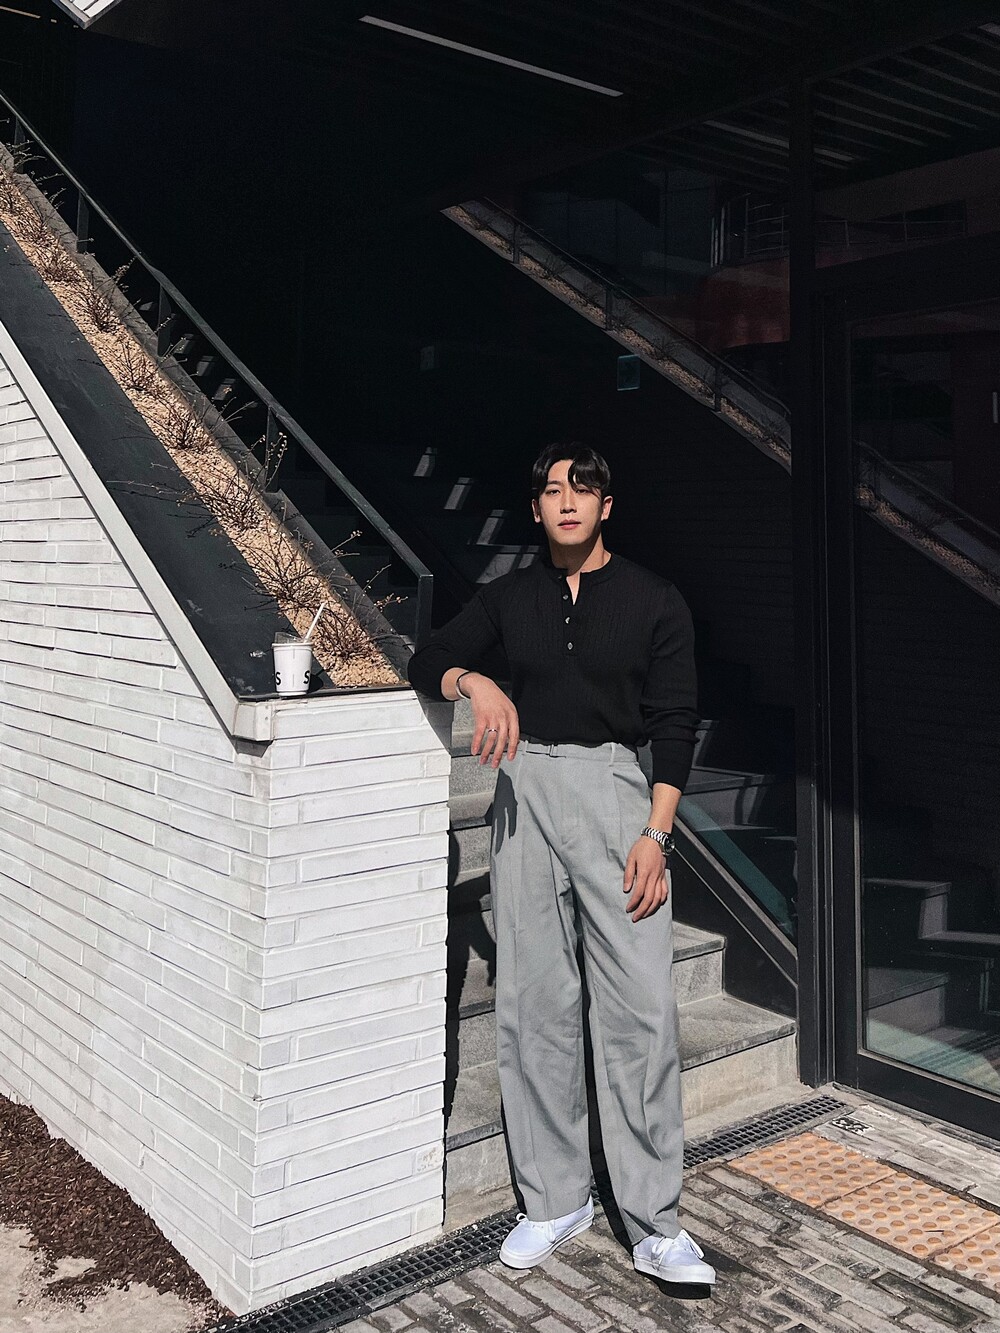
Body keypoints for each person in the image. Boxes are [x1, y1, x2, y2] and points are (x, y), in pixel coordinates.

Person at [407, 443, 716, 1286]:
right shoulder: (509, 597)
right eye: (552, 490)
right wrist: (476, 682)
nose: (568, 501)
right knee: (533, 1001)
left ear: (606, 506)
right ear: (538, 508)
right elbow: (427, 657)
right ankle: (555, 1198)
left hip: (617, 796)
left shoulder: (655, 599)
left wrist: (656, 835)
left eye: (583, 489)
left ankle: (654, 1221)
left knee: (642, 1008)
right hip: (524, 794)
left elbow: (676, 722)